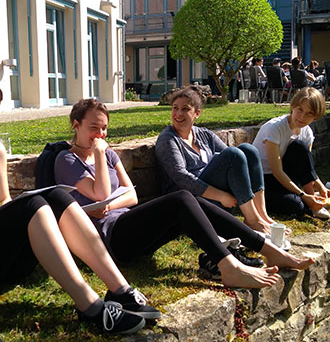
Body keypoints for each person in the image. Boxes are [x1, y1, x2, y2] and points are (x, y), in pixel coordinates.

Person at [0, 74, 156, 335]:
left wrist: (7, 215)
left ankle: (121, 290)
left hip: (4, 255)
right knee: (32, 205)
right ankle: (91, 308)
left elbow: (4, 200)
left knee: (58, 197)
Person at [54, 99, 315, 289]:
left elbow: (131, 196)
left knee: (192, 201)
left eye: (104, 129)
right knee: (181, 198)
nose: (101, 135)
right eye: (93, 128)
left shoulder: (110, 154)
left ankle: (268, 249)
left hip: (129, 225)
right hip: (110, 240)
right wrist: (99, 156)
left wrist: (109, 202)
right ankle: (229, 267)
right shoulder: (67, 161)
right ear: (76, 126)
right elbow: (101, 192)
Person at [154, 87, 279, 235]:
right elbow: (181, 178)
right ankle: (253, 221)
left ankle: (261, 216)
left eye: (185, 109)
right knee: (234, 154)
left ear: (197, 114)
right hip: (191, 202)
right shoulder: (168, 139)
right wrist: (221, 196)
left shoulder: (204, 134)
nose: (178, 114)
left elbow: (233, 159)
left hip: (213, 195)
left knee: (248, 151)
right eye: (175, 108)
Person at [252, 87, 330, 219]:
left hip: (286, 176)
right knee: (296, 206)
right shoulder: (274, 129)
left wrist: (320, 187)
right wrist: (303, 195)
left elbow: (305, 168)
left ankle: (314, 203)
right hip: (263, 179)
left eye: (309, 113)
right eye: (300, 110)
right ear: (293, 107)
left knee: (300, 146)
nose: (302, 117)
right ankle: (307, 201)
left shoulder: (307, 132)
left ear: (315, 117)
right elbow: (277, 171)